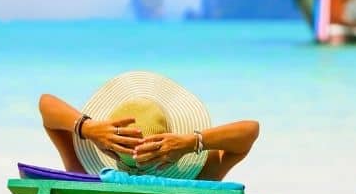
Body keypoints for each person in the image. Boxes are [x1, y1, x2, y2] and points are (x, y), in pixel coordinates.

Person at [39, 71, 259, 181]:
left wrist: (86, 128)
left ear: (108, 147)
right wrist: (191, 142)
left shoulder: (86, 176)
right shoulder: (201, 175)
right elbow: (250, 131)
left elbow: (46, 104)